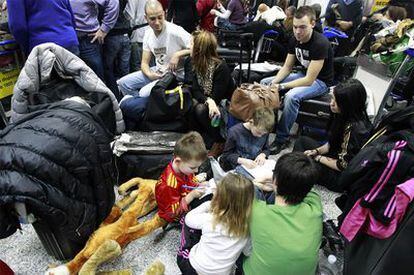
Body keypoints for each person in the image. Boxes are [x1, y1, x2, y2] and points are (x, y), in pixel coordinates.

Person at [260, 6, 334, 155]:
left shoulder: (320, 43)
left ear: (313, 24)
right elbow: (287, 67)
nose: (298, 31)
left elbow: (309, 80)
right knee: (265, 83)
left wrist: (281, 86)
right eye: (295, 27)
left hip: (320, 81)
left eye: (302, 27)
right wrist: (274, 83)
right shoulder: (294, 40)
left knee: (291, 97)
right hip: (304, 75)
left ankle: (281, 139)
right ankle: (269, 124)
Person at [242, 152, 323, 275]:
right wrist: (278, 179)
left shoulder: (256, 211)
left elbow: (239, 192)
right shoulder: (315, 206)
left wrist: (254, 184)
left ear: (275, 180)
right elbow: (309, 189)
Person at [293, 78, 372, 192]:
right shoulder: (342, 114)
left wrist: (318, 158)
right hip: (334, 156)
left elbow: (343, 165)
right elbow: (331, 143)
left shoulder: (356, 130)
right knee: (302, 142)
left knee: (305, 163)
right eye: (333, 98)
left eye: (336, 101)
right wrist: (316, 151)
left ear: (348, 104)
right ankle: (296, 172)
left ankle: (295, 178)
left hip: (341, 175)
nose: (331, 103)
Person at [177, 173, 254, 275]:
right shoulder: (246, 230)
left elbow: (189, 219)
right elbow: (248, 252)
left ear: (219, 198)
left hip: (194, 268)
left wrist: (208, 204)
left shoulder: (211, 219)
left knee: (184, 220)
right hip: (223, 273)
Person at [117, 0, 191, 98]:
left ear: (164, 14)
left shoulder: (175, 31)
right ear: (146, 18)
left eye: (160, 17)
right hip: (158, 71)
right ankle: (141, 107)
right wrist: (150, 74)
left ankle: (143, 105)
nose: (157, 22)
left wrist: (178, 54)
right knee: (122, 83)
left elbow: (199, 48)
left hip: (175, 75)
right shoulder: (148, 34)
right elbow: (144, 63)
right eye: (152, 19)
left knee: (143, 93)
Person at [187, 30, 235, 148]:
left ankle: (219, 141)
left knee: (201, 109)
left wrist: (210, 101)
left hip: (225, 107)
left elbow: (217, 97)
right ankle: (200, 137)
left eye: (192, 44)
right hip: (210, 102)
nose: (189, 47)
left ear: (199, 49)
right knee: (189, 103)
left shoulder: (221, 67)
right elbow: (195, 90)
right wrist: (208, 100)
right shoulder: (193, 63)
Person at [6, 0, 79, 55]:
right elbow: (72, 19)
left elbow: (17, 26)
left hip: (43, 47)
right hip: (70, 42)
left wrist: (27, 47)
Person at [70, 0, 119, 79]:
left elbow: (112, 3)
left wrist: (104, 29)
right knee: (71, 77)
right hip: (66, 38)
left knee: (95, 77)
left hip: (87, 38)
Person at [220, 107, 275, 171]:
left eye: (263, 134)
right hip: (236, 166)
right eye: (258, 132)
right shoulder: (234, 132)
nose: (260, 136)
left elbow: (266, 149)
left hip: (254, 166)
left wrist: (263, 155)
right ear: (251, 122)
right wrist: (242, 161)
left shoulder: (263, 132)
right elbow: (226, 155)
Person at [103, 0, 132, 99]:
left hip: (112, 34)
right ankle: (126, 94)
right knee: (124, 67)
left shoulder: (109, 3)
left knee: (108, 67)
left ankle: (114, 95)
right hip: (125, 34)